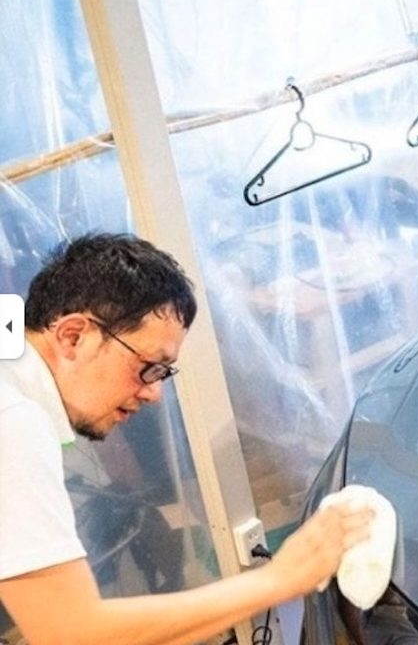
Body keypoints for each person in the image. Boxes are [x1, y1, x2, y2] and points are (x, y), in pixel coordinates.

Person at [0, 233, 372, 645]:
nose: (154, 393)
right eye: (149, 367)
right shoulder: (14, 418)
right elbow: (73, 634)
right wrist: (282, 578)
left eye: (164, 374)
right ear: (73, 336)